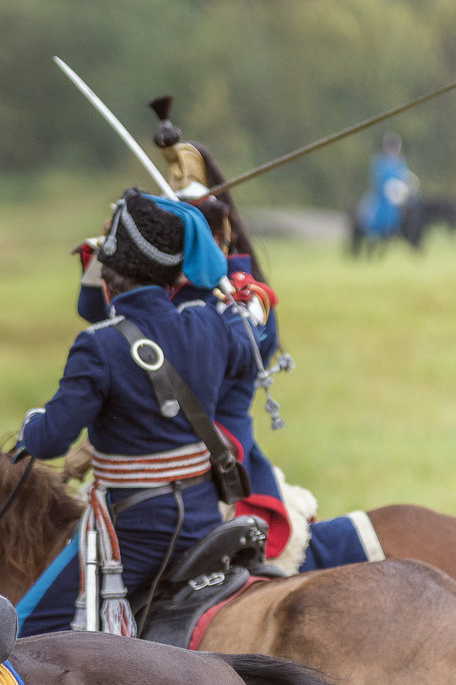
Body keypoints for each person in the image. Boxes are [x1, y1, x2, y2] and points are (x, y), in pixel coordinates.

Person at [148, 101, 384, 573]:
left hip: (223, 468)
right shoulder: (154, 294)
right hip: (152, 464)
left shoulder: (240, 297)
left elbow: (239, 354)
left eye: (188, 227)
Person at [13, 188, 254, 636]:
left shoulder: (98, 345)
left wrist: (29, 428)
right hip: (202, 516)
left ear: (109, 273)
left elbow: (50, 441)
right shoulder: (210, 322)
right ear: (171, 277)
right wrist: (223, 282)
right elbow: (248, 348)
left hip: (136, 530)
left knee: (22, 631)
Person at [358, 131, 416, 242]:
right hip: (382, 195)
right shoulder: (380, 161)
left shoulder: (399, 161)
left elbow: (403, 176)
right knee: (373, 212)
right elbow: (378, 179)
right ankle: (374, 235)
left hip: (398, 197)